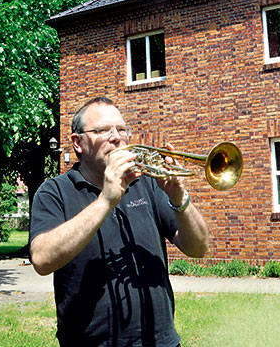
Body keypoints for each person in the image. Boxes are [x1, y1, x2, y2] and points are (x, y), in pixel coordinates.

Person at [30, 97, 210, 346]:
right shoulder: (54, 192)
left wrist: (179, 198)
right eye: (103, 130)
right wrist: (106, 200)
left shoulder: (147, 183)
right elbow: (41, 259)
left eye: (122, 129)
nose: (117, 137)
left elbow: (198, 248)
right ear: (78, 143)